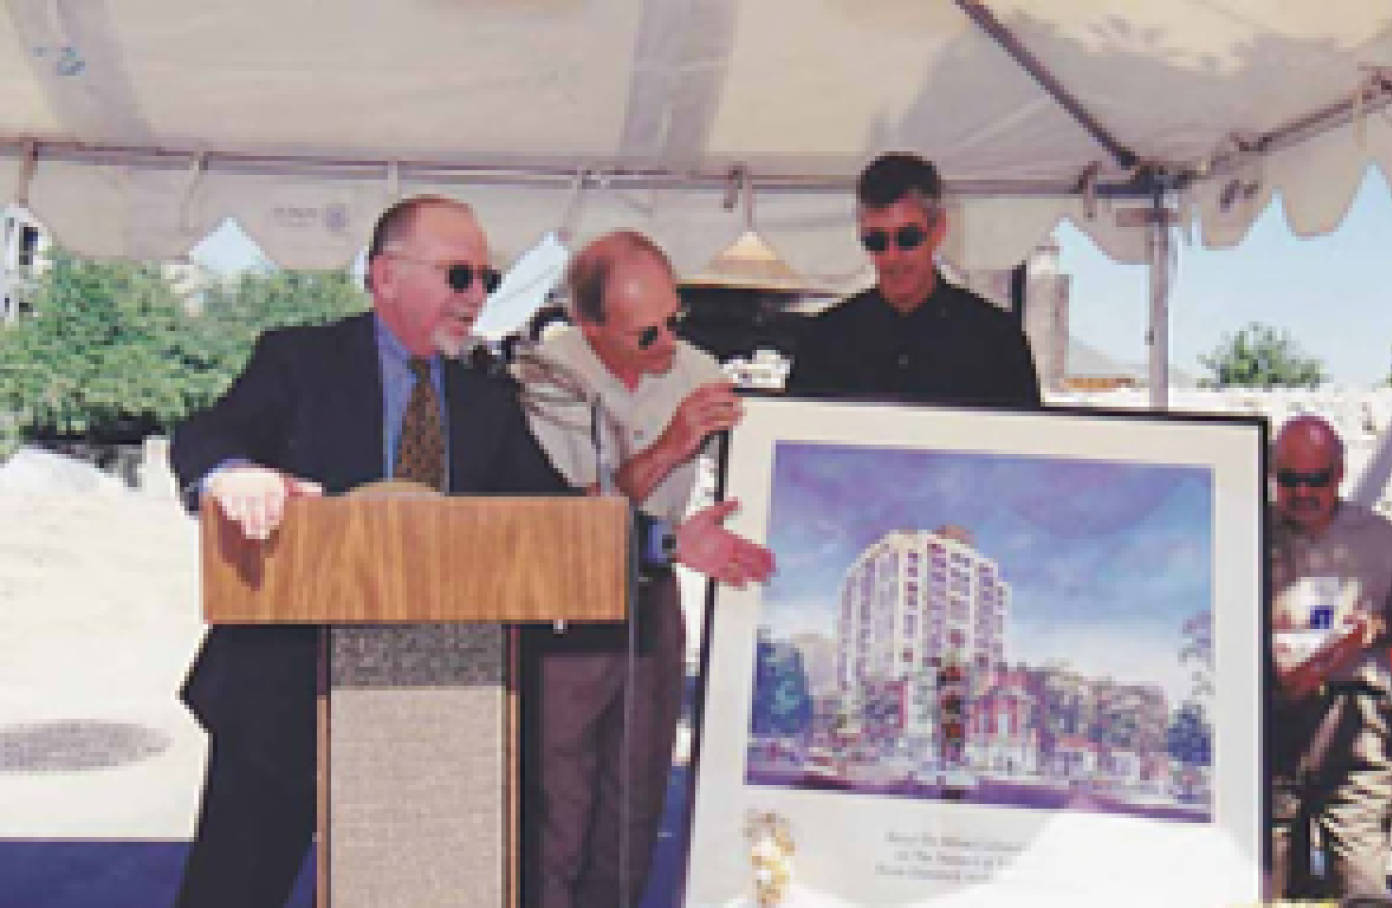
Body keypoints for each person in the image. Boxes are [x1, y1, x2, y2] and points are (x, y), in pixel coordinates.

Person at [168, 198, 766, 907]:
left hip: (428, 708)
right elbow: (205, 436)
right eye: (460, 276)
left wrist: (666, 541)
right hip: (281, 698)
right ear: (385, 276)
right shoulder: (297, 360)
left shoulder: (487, 396)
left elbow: (554, 520)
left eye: (488, 276)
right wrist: (234, 475)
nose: (479, 296)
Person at [516, 230, 775, 907]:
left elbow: (761, 475)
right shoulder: (545, 377)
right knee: (557, 806)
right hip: (568, 601)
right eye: (644, 333)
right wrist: (672, 444)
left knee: (636, 802)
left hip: (654, 595)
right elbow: (577, 515)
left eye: (674, 320)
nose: (666, 343)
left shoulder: (700, 370)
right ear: (588, 325)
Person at [784, 151, 1041, 407]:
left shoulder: (997, 342)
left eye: (908, 238)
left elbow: (1029, 442)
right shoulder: (823, 340)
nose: (892, 257)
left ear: (938, 230)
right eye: (877, 241)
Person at [1268, 413, 1392, 900]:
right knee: (1264, 884)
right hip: (1270, 731)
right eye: (1289, 480)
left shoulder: (1384, 542)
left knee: (1362, 887)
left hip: (1357, 728)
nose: (1303, 492)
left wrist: (1371, 631)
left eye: (1316, 480)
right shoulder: (1248, 535)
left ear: (1340, 474)